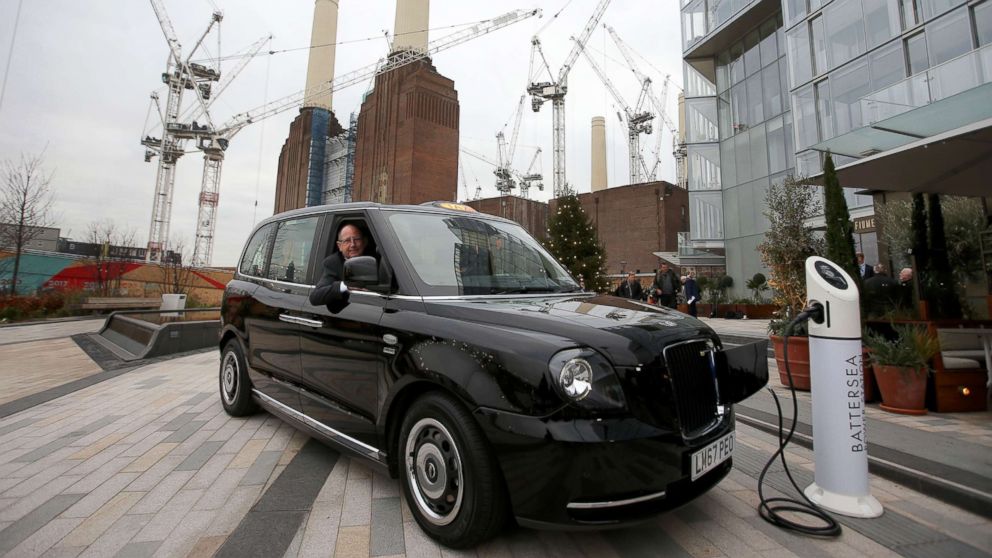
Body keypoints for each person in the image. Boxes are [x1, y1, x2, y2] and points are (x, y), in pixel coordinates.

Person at [309, 223, 371, 310]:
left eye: (357, 239)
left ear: (365, 242)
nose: (353, 244)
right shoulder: (333, 263)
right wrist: (346, 285)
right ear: (339, 246)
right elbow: (315, 297)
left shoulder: (377, 259)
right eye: (347, 241)